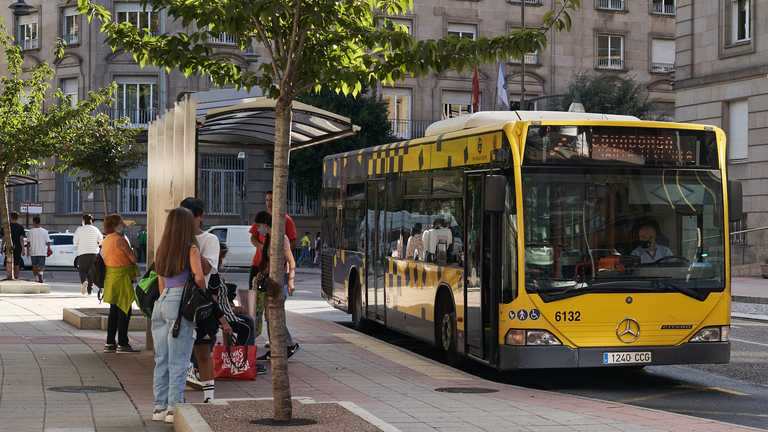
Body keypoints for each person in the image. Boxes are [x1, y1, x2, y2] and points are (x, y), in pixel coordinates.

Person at [151, 207, 205, 424]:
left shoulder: (162, 249)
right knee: (179, 359)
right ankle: (174, 407)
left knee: (161, 359)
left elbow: (161, 281)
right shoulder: (191, 248)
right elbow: (199, 277)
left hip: (161, 302)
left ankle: (159, 407)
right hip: (180, 302)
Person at [179, 197, 230, 403]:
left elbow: (208, 269)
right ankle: (176, 397)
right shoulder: (175, 237)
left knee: (203, 351)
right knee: (179, 354)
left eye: (188, 217)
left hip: (201, 303)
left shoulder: (210, 240)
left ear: (199, 217)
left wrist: (191, 245)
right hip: (179, 302)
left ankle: (209, 396)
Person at [252, 211, 299, 361]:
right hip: (268, 282)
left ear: (266, 224)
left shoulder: (281, 239)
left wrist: (291, 280)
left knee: (274, 316)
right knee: (270, 316)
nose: (258, 229)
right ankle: (277, 347)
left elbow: (291, 261)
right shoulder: (268, 238)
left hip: (278, 282)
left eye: (259, 226)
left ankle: (286, 345)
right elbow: (268, 261)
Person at [101, 214, 139, 354]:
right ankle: (123, 342)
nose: (123, 225)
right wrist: (133, 248)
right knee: (124, 310)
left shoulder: (106, 240)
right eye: (121, 223)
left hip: (111, 277)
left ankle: (110, 342)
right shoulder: (120, 240)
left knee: (113, 311)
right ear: (115, 225)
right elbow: (133, 259)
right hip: (122, 278)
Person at [73, 214, 103, 295]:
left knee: (82, 270)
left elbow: (75, 242)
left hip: (82, 253)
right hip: (94, 253)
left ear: (83, 221)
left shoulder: (79, 229)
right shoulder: (96, 229)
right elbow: (101, 241)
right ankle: (90, 290)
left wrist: (77, 246)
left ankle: (84, 282)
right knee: (91, 272)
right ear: (91, 221)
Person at [1, 212, 26, 280]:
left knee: (8, 261)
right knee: (17, 262)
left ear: (10, 217)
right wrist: (23, 249)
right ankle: (16, 276)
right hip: (18, 247)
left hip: (8, 246)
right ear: (17, 218)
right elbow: (21, 239)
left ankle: (9, 276)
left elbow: (4, 238)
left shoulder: (6, 227)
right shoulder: (20, 227)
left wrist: (2, 247)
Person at [27, 216, 51, 283]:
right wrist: (49, 249)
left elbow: (28, 243)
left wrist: (28, 252)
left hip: (33, 251)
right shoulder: (45, 231)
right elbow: (48, 242)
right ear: (39, 222)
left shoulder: (30, 232)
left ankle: (36, 278)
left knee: (34, 266)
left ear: (34, 222)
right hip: (42, 251)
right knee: (41, 266)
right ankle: (41, 274)